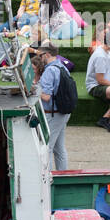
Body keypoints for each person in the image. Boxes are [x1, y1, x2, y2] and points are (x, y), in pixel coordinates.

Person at [33, 42, 72, 170]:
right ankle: (63, 177)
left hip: (53, 114)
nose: (40, 58)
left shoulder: (50, 71)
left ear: (47, 54)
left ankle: (47, 180)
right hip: (63, 112)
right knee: (59, 148)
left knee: (47, 147)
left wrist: (33, 91)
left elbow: (46, 96)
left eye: (40, 55)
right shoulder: (62, 67)